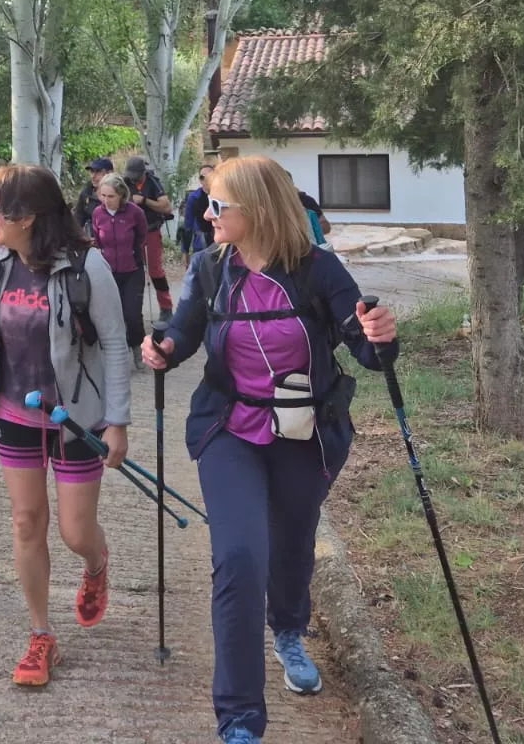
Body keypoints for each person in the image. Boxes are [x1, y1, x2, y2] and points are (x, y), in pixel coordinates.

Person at [143, 156, 399, 744]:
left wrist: (380, 334)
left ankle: (287, 630)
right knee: (239, 558)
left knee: (290, 544)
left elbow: (363, 345)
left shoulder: (318, 270)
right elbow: (183, 331)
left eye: (218, 205)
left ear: (256, 210)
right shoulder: (210, 268)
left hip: (305, 432)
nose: (206, 214)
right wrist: (161, 347)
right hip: (228, 430)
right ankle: (239, 722)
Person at [0, 165, 133, 689]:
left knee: (75, 531)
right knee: (26, 522)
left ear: (27, 218)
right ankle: (41, 634)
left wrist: (118, 423)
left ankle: (96, 563)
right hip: (13, 412)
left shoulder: (87, 267)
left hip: (77, 417)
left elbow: (115, 344)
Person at [90, 173, 148, 369]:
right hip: (108, 271)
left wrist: (132, 253)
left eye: (111, 196)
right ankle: (117, 356)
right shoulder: (98, 213)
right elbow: (97, 240)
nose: (106, 201)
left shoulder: (135, 212)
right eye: (103, 196)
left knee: (132, 314)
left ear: (121, 195)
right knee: (111, 315)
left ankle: (137, 349)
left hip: (132, 269)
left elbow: (142, 236)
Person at [122, 156, 174, 314]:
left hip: (151, 230)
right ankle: (134, 308)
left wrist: (145, 201)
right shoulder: (125, 182)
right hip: (132, 233)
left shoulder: (153, 182)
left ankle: (166, 308)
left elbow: (166, 208)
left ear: (143, 173)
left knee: (155, 271)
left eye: (136, 175)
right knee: (133, 271)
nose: (133, 179)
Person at [178, 164, 216, 258]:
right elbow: (188, 225)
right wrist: (185, 251)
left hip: (220, 242)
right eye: (203, 177)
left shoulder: (222, 195)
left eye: (210, 176)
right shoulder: (194, 197)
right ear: (200, 180)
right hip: (200, 244)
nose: (206, 180)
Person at [73, 156, 112, 238]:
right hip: (92, 241)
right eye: (92, 172)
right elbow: (78, 219)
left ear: (109, 173)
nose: (93, 176)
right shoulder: (86, 193)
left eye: (98, 172)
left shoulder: (120, 193)